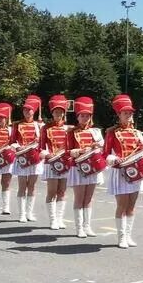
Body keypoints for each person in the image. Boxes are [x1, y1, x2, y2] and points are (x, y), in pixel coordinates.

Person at [103, 94, 143, 249]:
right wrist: (114, 158)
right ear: (119, 115)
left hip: (136, 172)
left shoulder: (137, 132)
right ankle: (121, 237)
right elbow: (105, 154)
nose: (129, 115)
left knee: (131, 206)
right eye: (125, 113)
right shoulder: (112, 132)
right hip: (120, 172)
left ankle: (129, 235)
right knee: (122, 205)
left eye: (130, 113)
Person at [67, 96, 104, 238]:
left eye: (87, 116)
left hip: (93, 167)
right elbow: (67, 151)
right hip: (78, 167)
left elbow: (103, 148)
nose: (84, 118)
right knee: (79, 198)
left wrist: (97, 146)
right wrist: (79, 151)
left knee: (89, 198)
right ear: (77, 117)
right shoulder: (71, 132)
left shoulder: (96, 132)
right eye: (82, 116)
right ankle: (79, 228)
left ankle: (87, 226)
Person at [11, 94, 44, 223]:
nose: (27, 112)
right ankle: (21, 214)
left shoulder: (39, 126)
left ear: (33, 111)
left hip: (35, 158)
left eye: (29, 110)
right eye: (25, 110)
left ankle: (29, 213)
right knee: (22, 186)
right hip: (22, 158)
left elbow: (44, 142)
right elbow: (12, 141)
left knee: (32, 186)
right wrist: (17, 148)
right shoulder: (17, 125)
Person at [40, 95, 71, 230]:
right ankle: (52, 220)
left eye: (60, 112)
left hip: (65, 163)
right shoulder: (45, 128)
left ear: (64, 114)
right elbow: (40, 148)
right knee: (52, 191)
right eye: (56, 112)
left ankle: (60, 218)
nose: (58, 114)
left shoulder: (69, 129)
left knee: (62, 191)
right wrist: (48, 155)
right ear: (52, 113)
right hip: (51, 163)